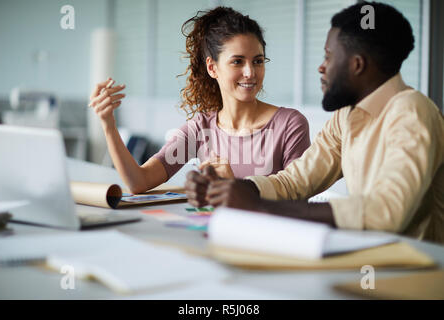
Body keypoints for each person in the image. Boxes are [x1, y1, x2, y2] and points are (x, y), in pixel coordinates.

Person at [186, 2, 444, 244]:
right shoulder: (347, 116)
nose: (321, 67)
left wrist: (259, 206)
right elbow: (296, 181)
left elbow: (386, 212)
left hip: (415, 274)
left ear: (357, 65)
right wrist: (236, 189)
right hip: (371, 261)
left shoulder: (412, 111)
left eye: (329, 56)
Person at [88, 7, 310, 198]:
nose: (250, 72)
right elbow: (139, 181)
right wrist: (108, 125)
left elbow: (297, 199)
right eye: (237, 62)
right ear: (212, 68)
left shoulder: (290, 124)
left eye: (258, 61)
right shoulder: (200, 129)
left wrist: (236, 188)